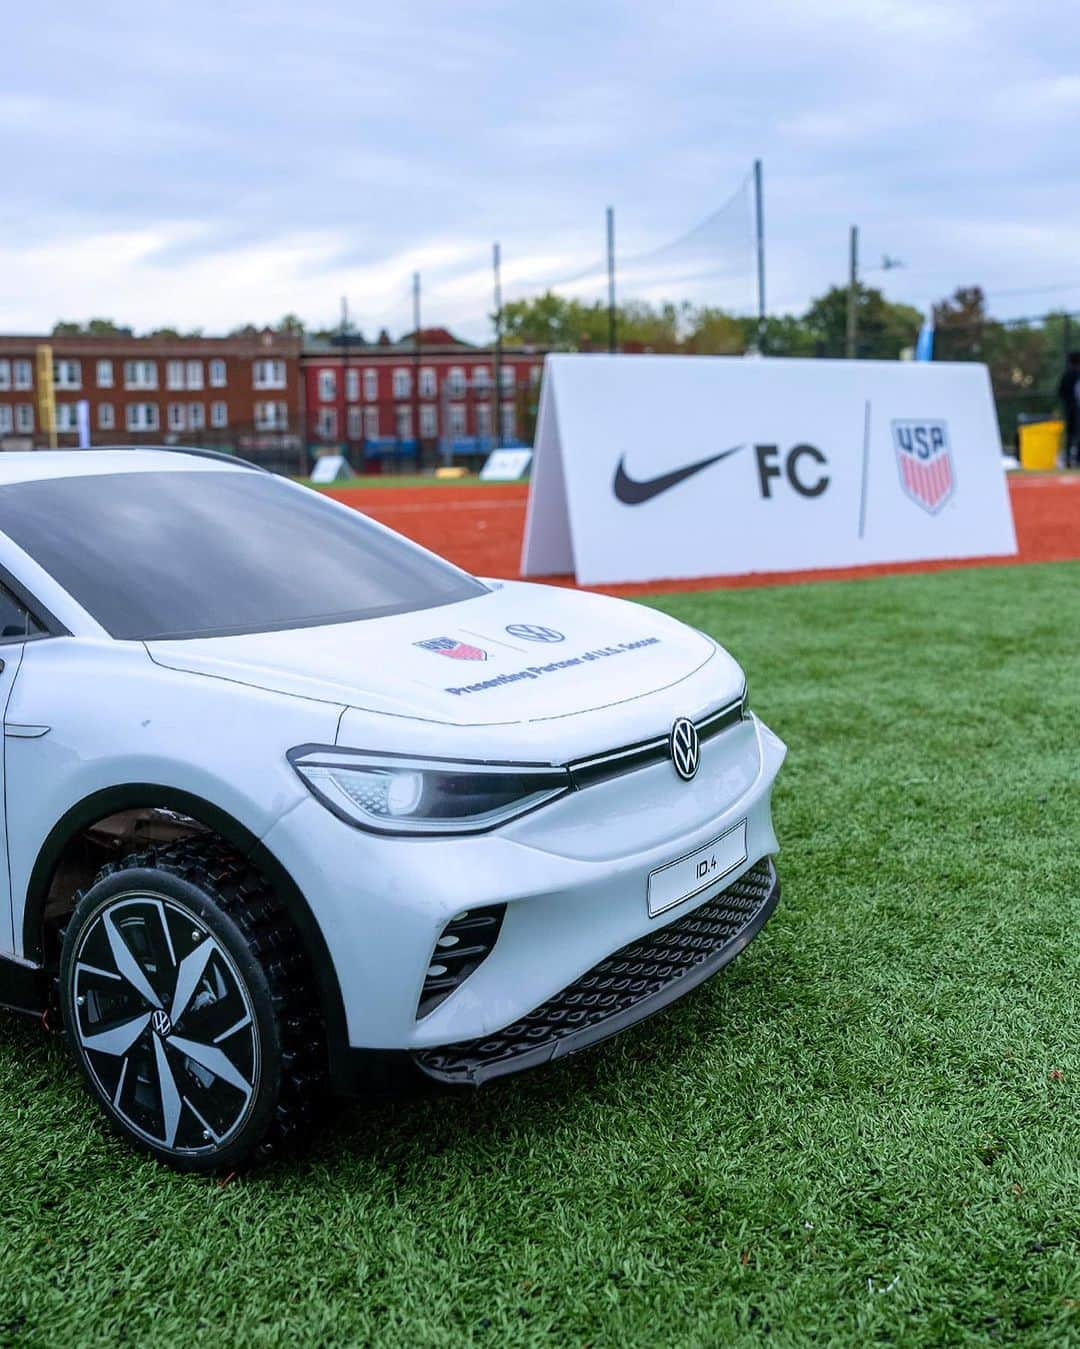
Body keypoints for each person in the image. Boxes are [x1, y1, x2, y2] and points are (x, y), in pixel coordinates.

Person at [1058, 351, 1080, 468]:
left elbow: (1061, 392)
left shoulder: (1067, 374)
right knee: (1074, 434)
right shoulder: (1074, 375)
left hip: (1070, 408)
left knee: (1070, 435)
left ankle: (1069, 460)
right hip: (1074, 409)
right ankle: (1074, 459)